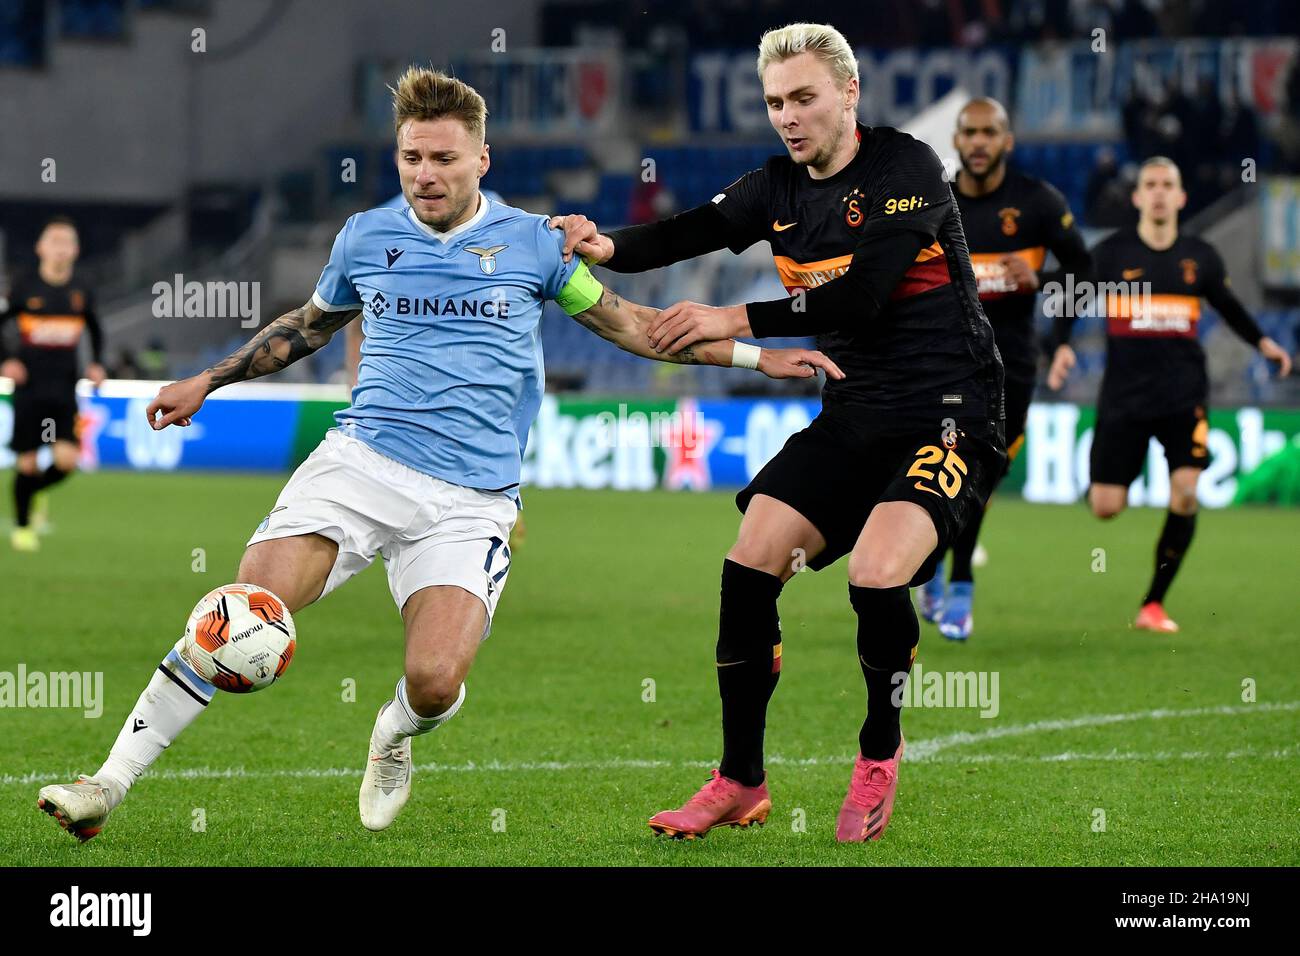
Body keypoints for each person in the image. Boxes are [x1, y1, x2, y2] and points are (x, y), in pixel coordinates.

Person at [34, 67, 840, 843]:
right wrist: (208, 379)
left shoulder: (536, 246)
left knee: (435, 681)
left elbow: (633, 327)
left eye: (444, 158)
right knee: (242, 611)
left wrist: (752, 356)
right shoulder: (365, 237)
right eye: (412, 158)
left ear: (481, 159)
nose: (426, 174)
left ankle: (393, 731)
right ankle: (108, 782)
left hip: (471, 501)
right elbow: (307, 326)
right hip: (359, 466)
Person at [555, 22, 1005, 842]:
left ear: (848, 93)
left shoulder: (906, 167)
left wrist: (734, 319)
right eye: (774, 103)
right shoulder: (775, 188)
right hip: (855, 409)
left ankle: (878, 752)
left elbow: (864, 295)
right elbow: (682, 233)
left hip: (951, 411)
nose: (788, 116)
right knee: (749, 562)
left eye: (803, 97)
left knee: (874, 578)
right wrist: (604, 244)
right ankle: (739, 780)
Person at [1048, 157, 1291, 632]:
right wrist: (1059, 348)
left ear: (1181, 198)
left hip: (1184, 395)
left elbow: (1230, 306)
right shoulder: (1111, 255)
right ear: (1138, 197)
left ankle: (1153, 604)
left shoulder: (1200, 257)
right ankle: (1123, 478)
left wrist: (1264, 343)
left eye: (1168, 185)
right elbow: (1070, 302)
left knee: (1185, 493)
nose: (1159, 192)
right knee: (1105, 507)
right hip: (1124, 397)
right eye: (1150, 185)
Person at [917, 97, 1091, 640]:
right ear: (958, 140)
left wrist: (1045, 295)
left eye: (989, 132)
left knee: (981, 477)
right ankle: (943, 577)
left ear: (1007, 141)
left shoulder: (1038, 203)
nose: (978, 142)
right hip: (942, 366)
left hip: (1012, 367)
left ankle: (948, 579)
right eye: (968, 132)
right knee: (939, 470)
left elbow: (1083, 270)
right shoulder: (932, 203)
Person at [0, 216, 105, 551]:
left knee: (66, 462)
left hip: (64, 389)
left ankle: (32, 494)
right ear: (40, 248)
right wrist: (7, 360)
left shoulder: (81, 290)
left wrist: (96, 363)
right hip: (29, 387)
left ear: (75, 250)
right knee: (27, 462)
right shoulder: (24, 285)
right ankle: (22, 526)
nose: (60, 248)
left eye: (67, 242)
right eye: (54, 241)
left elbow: (95, 329)